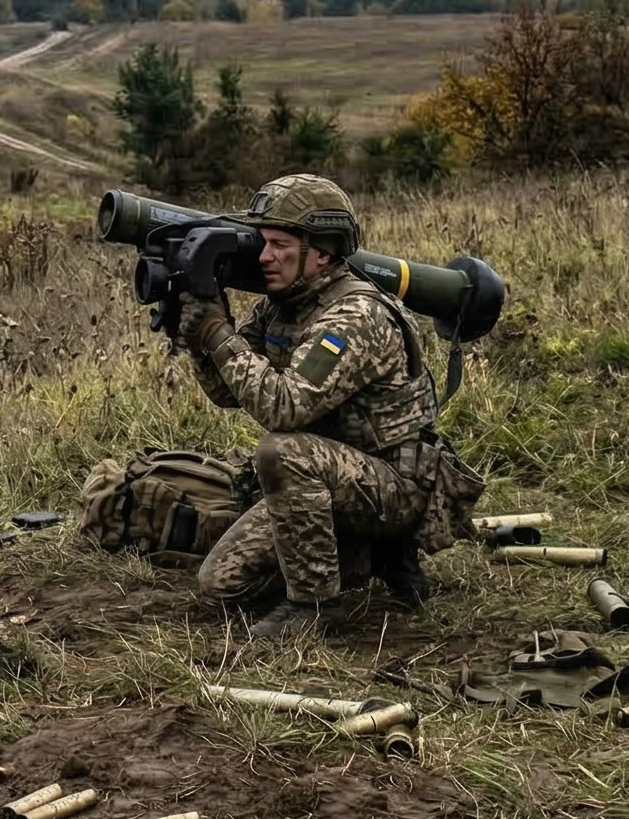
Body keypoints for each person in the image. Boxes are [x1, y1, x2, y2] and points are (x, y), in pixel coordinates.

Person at [174, 173, 442, 640]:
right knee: (221, 583)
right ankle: (367, 555)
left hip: (393, 487)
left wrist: (219, 336)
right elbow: (228, 393)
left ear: (322, 252)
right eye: (262, 242)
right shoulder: (283, 305)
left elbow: (285, 409)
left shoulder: (355, 316)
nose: (264, 256)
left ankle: (315, 606)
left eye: (279, 244)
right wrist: (201, 337)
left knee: (281, 451)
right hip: (333, 479)